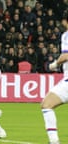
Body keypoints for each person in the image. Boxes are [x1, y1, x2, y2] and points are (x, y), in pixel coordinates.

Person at [41, 15, 68, 144]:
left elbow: (66, 55)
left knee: (47, 105)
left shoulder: (66, 35)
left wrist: (55, 64)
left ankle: (54, 141)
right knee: (46, 104)